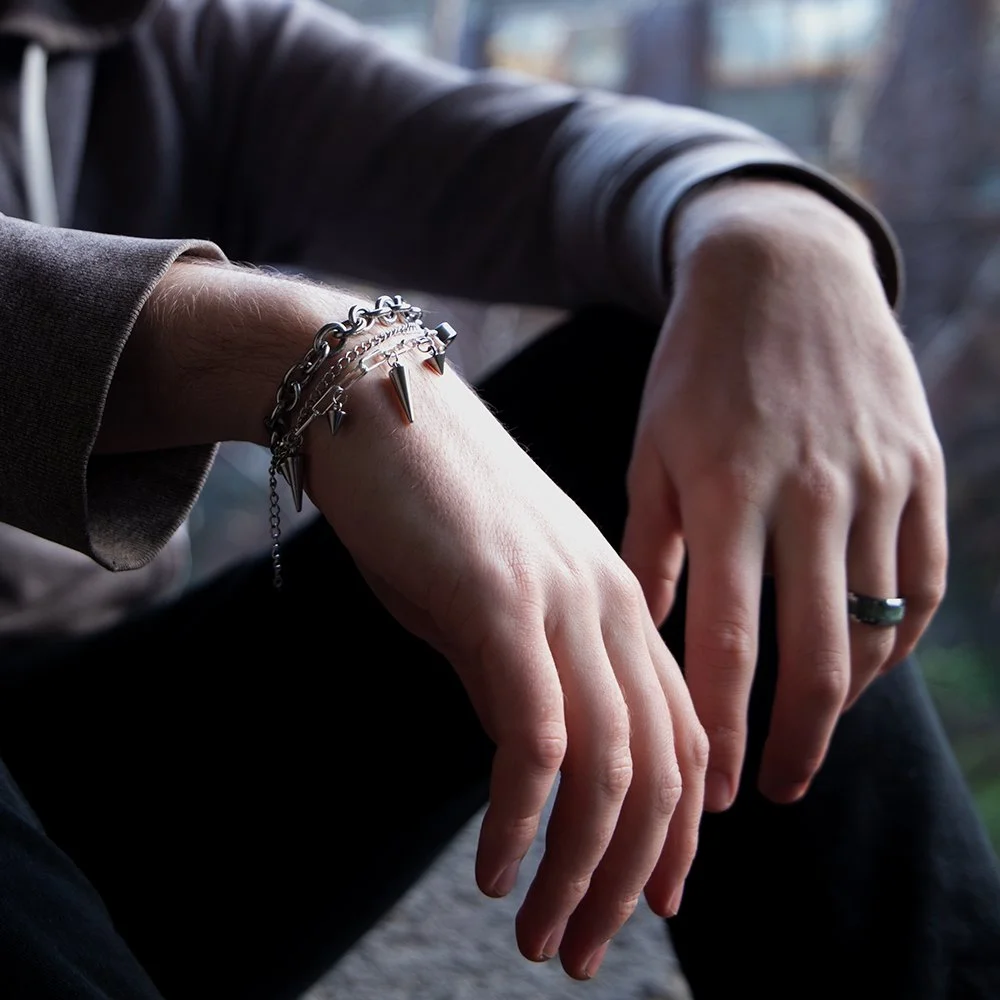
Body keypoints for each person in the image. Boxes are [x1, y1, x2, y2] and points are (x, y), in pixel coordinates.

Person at [0, 0, 996, 997]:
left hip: (109, 773)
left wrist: (776, 230)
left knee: (645, 377)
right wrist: (299, 355)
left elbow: (539, 154)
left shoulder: (150, 43)